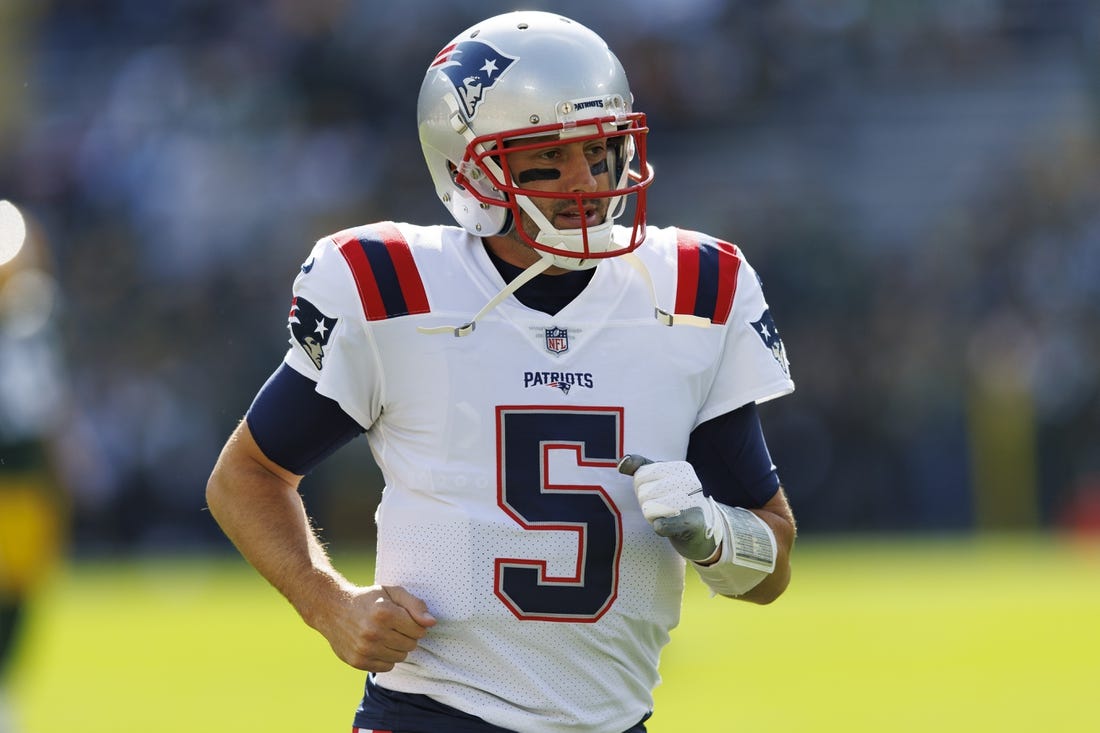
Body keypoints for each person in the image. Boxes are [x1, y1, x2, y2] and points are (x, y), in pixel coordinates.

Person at [206, 10, 797, 733]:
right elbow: (247, 475)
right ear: (471, 167)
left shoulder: (694, 290)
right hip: (432, 712)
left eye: (601, 147)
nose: (586, 179)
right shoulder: (393, 287)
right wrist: (330, 604)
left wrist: (711, 534)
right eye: (549, 156)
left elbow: (773, 566)